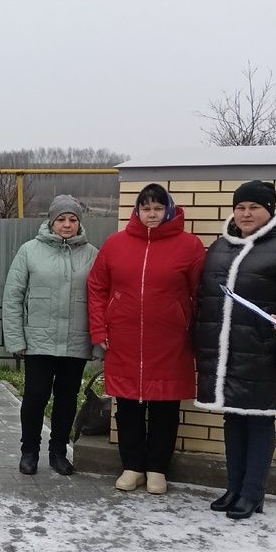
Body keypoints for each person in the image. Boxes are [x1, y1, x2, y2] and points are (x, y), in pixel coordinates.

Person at [193, 180, 276, 519]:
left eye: (254, 207)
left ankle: (253, 493)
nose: (246, 213)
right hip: (228, 355)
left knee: (259, 423)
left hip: (266, 355)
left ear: (270, 211)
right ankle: (234, 488)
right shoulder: (221, 247)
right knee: (233, 421)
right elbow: (207, 303)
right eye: (240, 207)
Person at [87, 183, 205, 494]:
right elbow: (97, 289)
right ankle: (132, 466)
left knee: (165, 408)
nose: (151, 214)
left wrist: (187, 327)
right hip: (123, 341)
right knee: (127, 407)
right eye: (146, 208)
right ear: (137, 210)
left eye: (157, 208)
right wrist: (100, 330)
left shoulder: (189, 246)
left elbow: (199, 294)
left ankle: (157, 469)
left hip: (169, 343)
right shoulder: (115, 244)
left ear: (168, 209)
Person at [2, 195, 99, 476]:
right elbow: (12, 298)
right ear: (51, 221)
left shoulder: (92, 254)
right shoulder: (29, 251)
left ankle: (58, 452)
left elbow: (100, 298)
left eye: (72, 219)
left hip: (75, 341)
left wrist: (97, 341)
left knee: (67, 398)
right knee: (35, 396)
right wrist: (16, 339)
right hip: (39, 341)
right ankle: (29, 451)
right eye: (61, 219)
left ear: (79, 223)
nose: (67, 224)